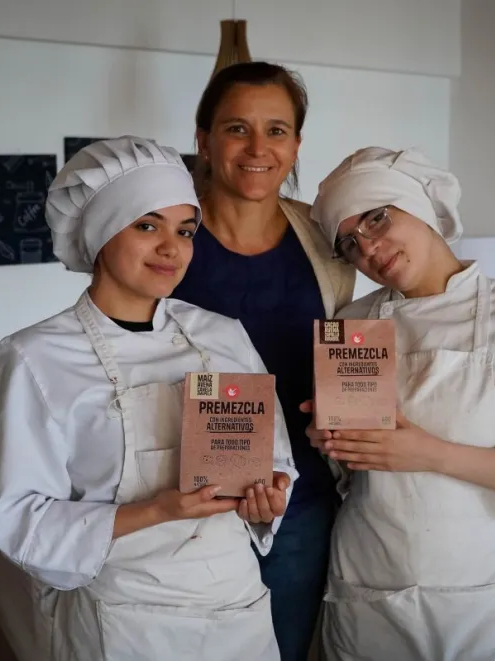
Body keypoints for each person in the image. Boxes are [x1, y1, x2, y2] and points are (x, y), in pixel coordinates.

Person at [0, 136, 299, 661]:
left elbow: (276, 460)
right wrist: (158, 510)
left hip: (235, 607)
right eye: (146, 225)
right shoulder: (36, 355)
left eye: (185, 230)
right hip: (125, 622)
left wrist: (269, 499)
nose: (171, 248)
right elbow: (22, 521)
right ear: (101, 232)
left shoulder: (224, 335)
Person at [304, 146, 495, 660]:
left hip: (489, 592)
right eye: (349, 242)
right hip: (372, 581)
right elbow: (352, 474)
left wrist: (425, 452)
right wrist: (331, 441)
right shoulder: (351, 324)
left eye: (376, 218)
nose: (368, 249)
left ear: (420, 203)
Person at [170, 61, 356, 660]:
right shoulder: (163, 240)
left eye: (277, 130)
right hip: (179, 506)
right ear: (203, 138)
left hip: (297, 504)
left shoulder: (326, 243)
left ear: (297, 143)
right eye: (236, 128)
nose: (258, 148)